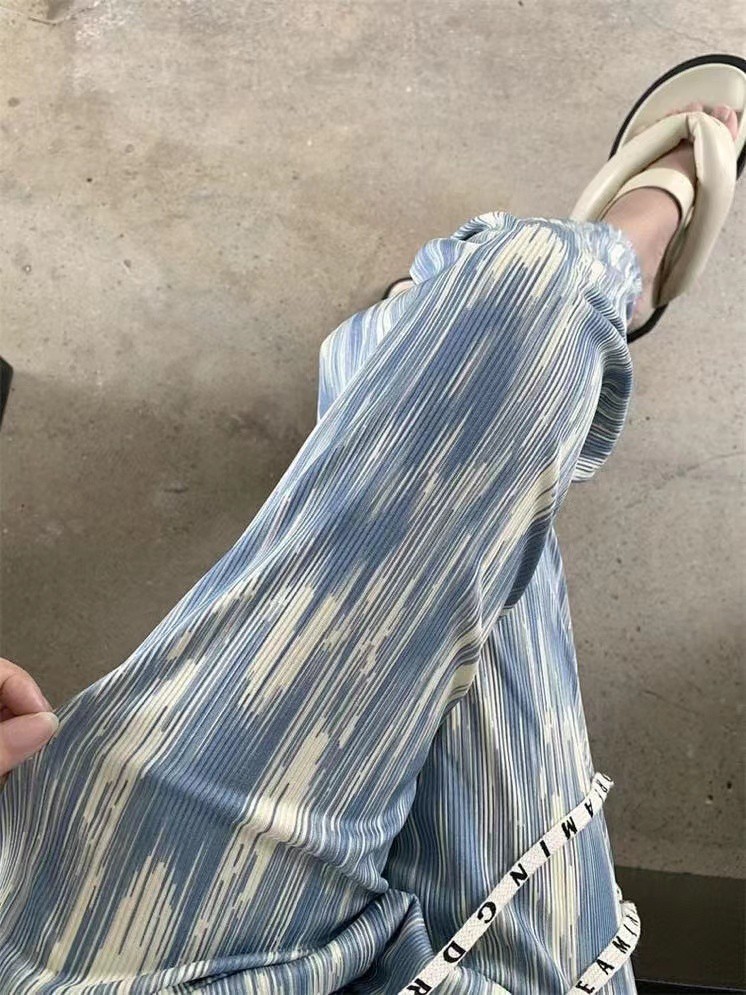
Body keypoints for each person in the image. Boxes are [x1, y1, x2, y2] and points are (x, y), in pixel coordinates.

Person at [0, 81, 740, 994]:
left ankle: (463, 332)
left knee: (523, 296)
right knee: (497, 338)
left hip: (90, 959)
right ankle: (455, 328)